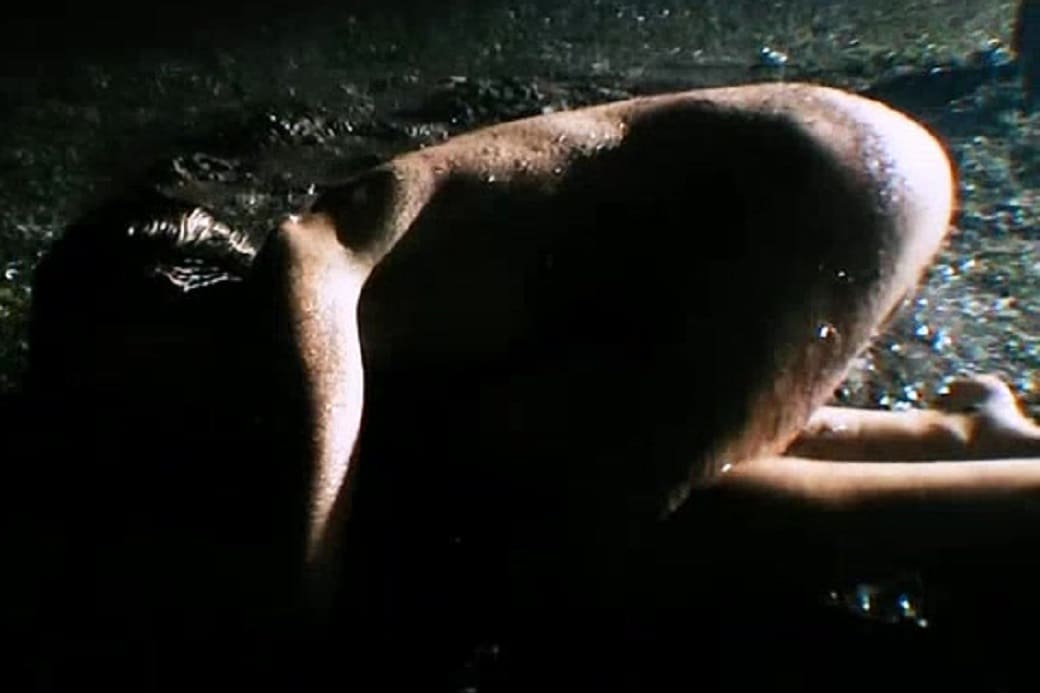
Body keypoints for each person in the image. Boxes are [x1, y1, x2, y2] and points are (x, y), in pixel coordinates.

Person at [23, 82, 1040, 687]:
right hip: (797, 191)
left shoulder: (310, 260)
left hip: (825, 175)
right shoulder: (400, 336)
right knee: (543, 462)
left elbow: (308, 265)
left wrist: (300, 605)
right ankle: (963, 444)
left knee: (593, 553)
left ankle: (1009, 496)